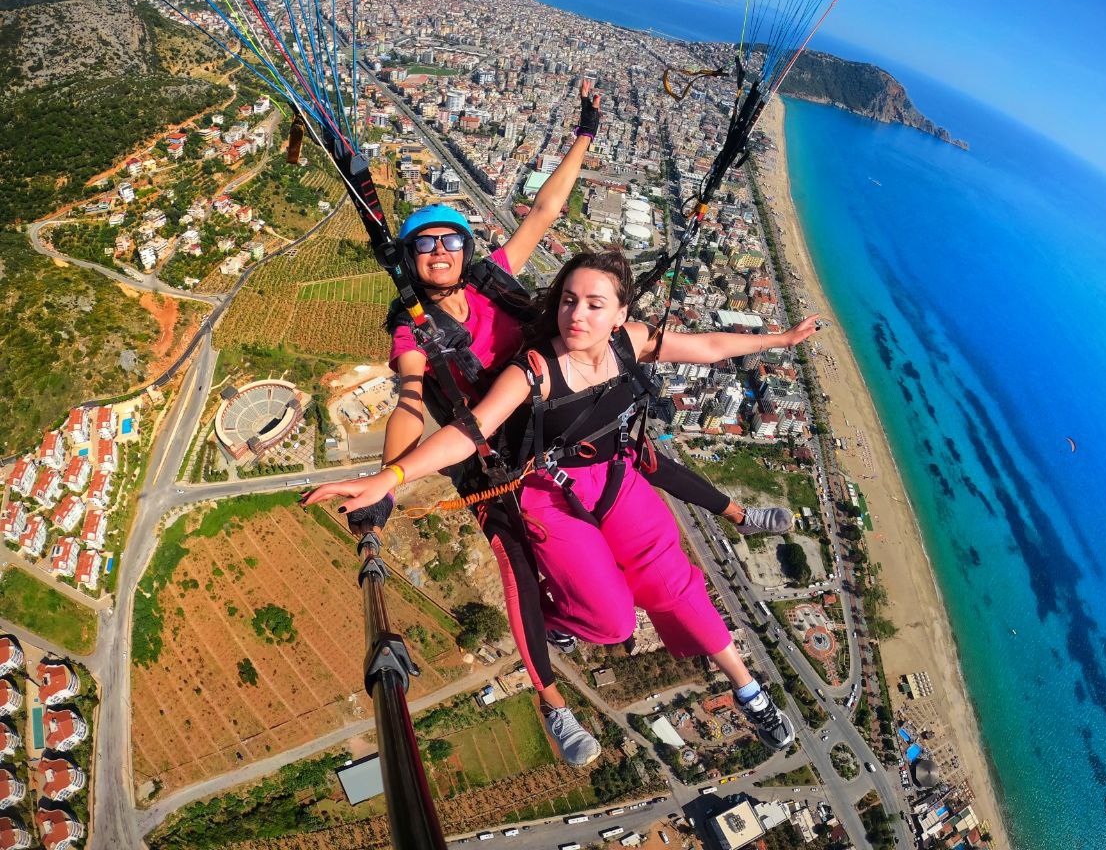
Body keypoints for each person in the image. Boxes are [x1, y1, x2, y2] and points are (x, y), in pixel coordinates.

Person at [375, 80, 790, 767]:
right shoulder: (412, 330)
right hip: (504, 455)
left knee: (660, 538)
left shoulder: (495, 279)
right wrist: (386, 480)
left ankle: (746, 679)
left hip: (570, 427)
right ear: (413, 260)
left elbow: (546, 208)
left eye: (452, 240)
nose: (442, 252)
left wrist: (586, 132)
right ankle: (551, 699)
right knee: (530, 566)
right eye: (426, 246)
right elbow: (411, 401)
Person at [306, 249, 822, 753]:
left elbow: (706, 346)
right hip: (546, 491)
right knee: (614, 621)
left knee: (674, 579)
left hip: (612, 476)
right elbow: (471, 431)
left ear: (620, 314)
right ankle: (558, 633)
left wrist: (780, 338)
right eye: (569, 300)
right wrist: (389, 478)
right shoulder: (534, 368)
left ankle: (747, 688)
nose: (577, 314)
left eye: (595, 304)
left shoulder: (631, 342)